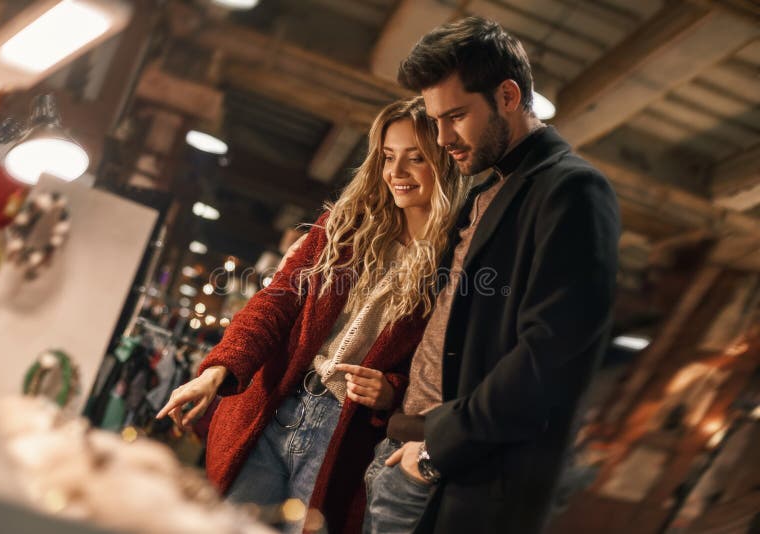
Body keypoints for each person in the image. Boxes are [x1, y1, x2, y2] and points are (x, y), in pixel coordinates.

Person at [157, 97, 469, 533]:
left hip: (342, 439)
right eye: (387, 156)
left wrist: (391, 391)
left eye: (416, 158)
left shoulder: (454, 264)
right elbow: (277, 301)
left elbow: (438, 367)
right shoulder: (342, 228)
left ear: (445, 163)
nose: (396, 173)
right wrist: (215, 372)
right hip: (273, 407)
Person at [363, 17, 621, 534]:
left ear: (507, 95)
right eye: (436, 119)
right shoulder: (485, 193)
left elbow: (549, 357)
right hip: (401, 457)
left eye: (456, 116)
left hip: (456, 479)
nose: (443, 137)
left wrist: (437, 453)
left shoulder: (572, 191)